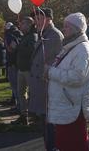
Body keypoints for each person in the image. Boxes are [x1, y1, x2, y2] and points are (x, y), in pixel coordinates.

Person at [47, 12, 89, 151]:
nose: (63, 29)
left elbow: (77, 77)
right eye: (64, 26)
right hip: (67, 104)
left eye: (67, 26)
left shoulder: (82, 49)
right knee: (65, 144)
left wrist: (50, 72)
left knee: (74, 144)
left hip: (73, 107)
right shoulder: (71, 46)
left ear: (77, 29)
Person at [29, 8, 63, 151]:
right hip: (41, 84)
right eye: (35, 18)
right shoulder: (43, 33)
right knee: (45, 122)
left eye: (39, 18)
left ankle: (54, 148)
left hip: (48, 84)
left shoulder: (54, 35)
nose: (35, 21)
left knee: (50, 122)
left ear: (48, 19)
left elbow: (58, 59)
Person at [12, 17, 37, 125]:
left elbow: (32, 51)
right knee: (20, 93)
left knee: (33, 93)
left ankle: (34, 116)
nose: (20, 26)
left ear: (29, 25)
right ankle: (24, 116)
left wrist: (17, 47)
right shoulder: (25, 36)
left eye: (22, 24)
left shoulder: (33, 36)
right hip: (21, 69)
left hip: (29, 70)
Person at [4, 23, 22, 110]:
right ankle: (17, 102)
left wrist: (7, 46)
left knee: (15, 85)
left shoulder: (9, 35)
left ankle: (18, 106)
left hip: (13, 63)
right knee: (20, 86)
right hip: (20, 62)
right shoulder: (21, 33)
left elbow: (11, 49)